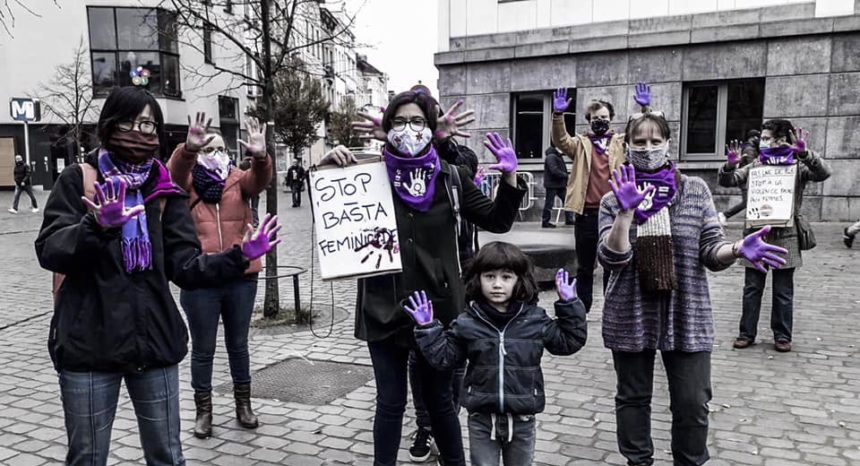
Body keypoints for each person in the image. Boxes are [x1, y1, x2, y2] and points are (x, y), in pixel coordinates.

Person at [34, 86, 281, 465]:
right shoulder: (78, 180)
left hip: (154, 345)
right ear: (108, 126)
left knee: (166, 455)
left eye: (148, 125)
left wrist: (238, 257)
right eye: (129, 123)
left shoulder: (164, 189)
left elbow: (186, 266)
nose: (139, 132)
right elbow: (49, 249)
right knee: (87, 457)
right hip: (88, 345)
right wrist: (96, 227)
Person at [321, 90, 526, 466]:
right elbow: (332, 210)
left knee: (440, 404)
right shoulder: (368, 176)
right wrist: (330, 163)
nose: (407, 130)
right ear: (386, 130)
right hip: (383, 307)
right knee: (390, 403)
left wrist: (510, 176)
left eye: (417, 122)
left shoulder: (451, 177)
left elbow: (498, 220)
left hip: (438, 312)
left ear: (431, 130)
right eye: (398, 122)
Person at [599, 111, 788, 466]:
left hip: (687, 312)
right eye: (639, 141)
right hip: (630, 312)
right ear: (627, 146)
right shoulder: (614, 196)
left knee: (692, 402)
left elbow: (710, 252)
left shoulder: (694, 190)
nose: (648, 148)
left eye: (656, 141)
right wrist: (625, 215)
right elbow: (611, 260)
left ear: (669, 143)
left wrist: (735, 249)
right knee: (633, 397)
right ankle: (637, 461)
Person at [405, 242, 587, 466]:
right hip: (482, 420)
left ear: (519, 280)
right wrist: (428, 328)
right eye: (489, 276)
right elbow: (445, 358)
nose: (497, 284)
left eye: (506, 277)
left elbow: (570, 342)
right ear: (477, 279)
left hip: (523, 419)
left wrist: (569, 304)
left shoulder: (534, 319)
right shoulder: (467, 322)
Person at [166, 113, 273, 439]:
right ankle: (204, 411)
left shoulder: (238, 179)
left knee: (238, 344)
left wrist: (261, 156)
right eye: (209, 149)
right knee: (203, 348)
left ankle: (244, 404)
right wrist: (187, 149)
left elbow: (260, 180)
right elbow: (175, 172)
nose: (217, 154)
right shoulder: (187, 183)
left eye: (221, 149)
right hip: (201, 278)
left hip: (241, 274)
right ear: (199, 153)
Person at [719, 119, 831, 352]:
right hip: (755, 236)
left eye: (767, 138)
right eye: (763, 137)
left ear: (782, 140)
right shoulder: (756, 165)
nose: (762, 142)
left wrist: (805, 153)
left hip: (786, 235)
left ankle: (782, 336)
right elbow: (729, 180)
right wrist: (729, 166)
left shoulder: (796, 166)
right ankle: (746, 333)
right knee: (752, 288)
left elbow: (824, 173)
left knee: (783, 290)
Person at [551, 83, 645, 312]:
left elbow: (642, 132)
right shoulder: (580, 144)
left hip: (614, 212)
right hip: (587, 213)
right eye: (595, 117)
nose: (599, 120)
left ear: (611, 118)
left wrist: (645, 109)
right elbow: (560, 140)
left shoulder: (621, 142)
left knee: (612, 263)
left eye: (603, 117)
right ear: (589, 120)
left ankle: (611, 308)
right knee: (584, 266)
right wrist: (558, 115)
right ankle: (581, 308)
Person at [717, 129, 760, 226]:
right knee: (747, 202)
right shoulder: (750, 148)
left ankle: (724, 215)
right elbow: (751, 165)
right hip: (746, 180)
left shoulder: (749, 147)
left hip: (745, 178)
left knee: (747, 202)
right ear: (753, 137)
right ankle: (724, 215)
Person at [541, 145, 574, 228]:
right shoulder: (551, 156)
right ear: (556, 148)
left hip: (559, 184)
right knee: (549, 204)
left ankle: (569, 220)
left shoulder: (556, 156)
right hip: (552, 184)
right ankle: (545, 222)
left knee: (567, 201)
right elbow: (554, 170)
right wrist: (565, 175)